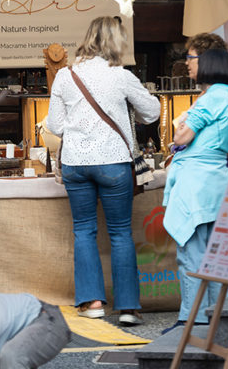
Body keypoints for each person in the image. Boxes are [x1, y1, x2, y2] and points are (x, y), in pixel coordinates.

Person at [47, 16, 159, 325]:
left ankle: (92, 302)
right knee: (120, 232)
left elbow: (55, 125)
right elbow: (152, 113)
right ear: (115, 41)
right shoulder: (121, 76)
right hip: (113, 161)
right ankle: (128, 308)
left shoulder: (65, 75)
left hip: (76, 164)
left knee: (84, 230)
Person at [162, 48, 228, 332]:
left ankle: (191, 320)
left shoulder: (210, 98)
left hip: (195, 182)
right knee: (213, 257)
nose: (188, 64)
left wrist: (183, 122)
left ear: (210, 66)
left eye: (193, 60)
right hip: (218, 179)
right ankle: (215, 319)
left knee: (192, 253)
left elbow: (181, 136)